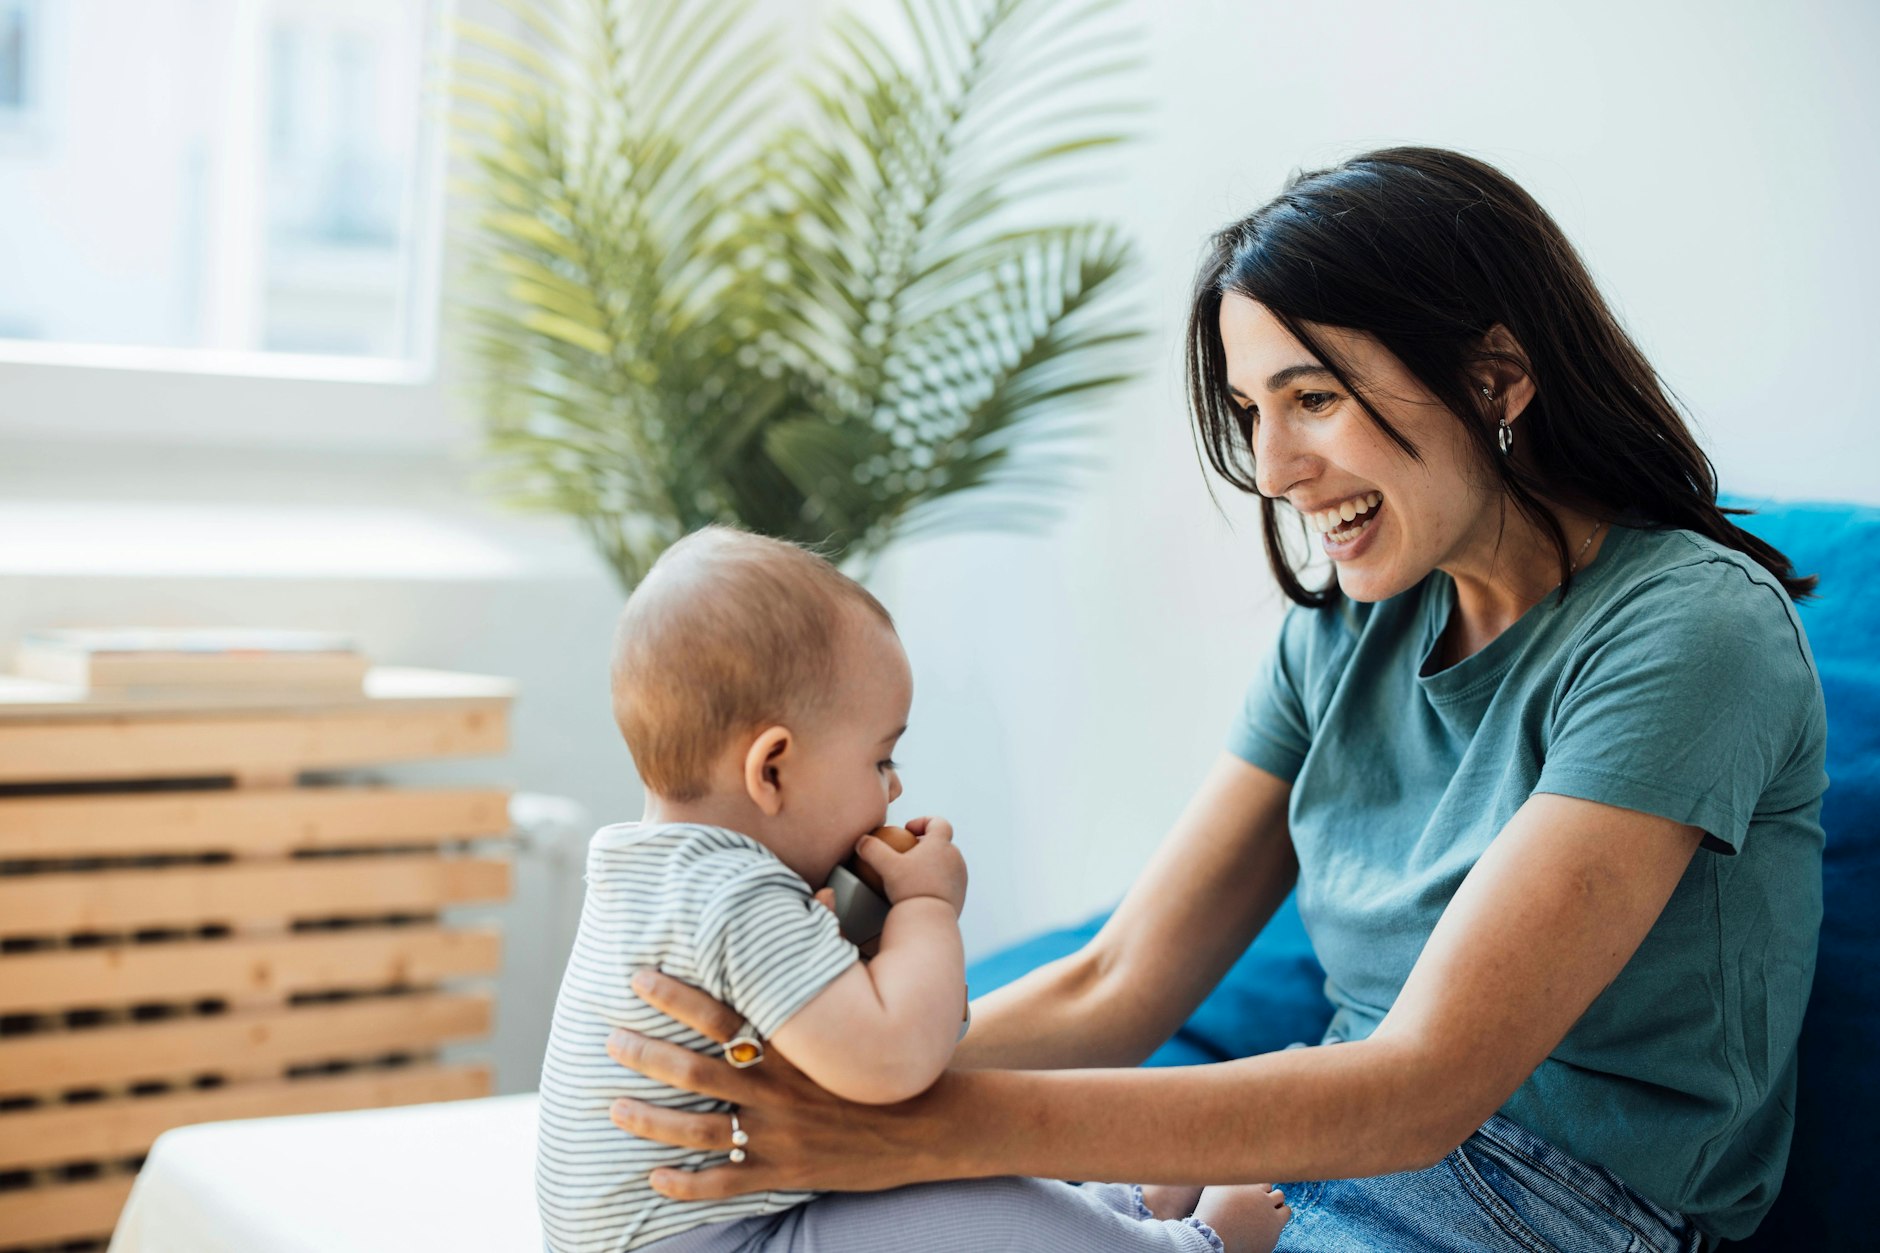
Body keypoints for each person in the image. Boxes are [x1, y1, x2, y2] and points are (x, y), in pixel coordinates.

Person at [597, 146, 1829, 1253]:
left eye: (1314, 397)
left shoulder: (1689, 632)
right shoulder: (1347, 629)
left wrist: (918, 1132)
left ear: (1496, 378)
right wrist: (783, 1089)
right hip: (1305, 1148)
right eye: (1251, 411)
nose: (1277, 470)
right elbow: (1117, 976)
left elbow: (1425, 1082)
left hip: (1550, 1200)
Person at [536, 525, 1293, 1252]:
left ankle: (1121, 1208)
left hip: (711, 1221)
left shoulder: (646, 872)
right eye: (880, 759)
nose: (894, 787)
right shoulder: (739, 897)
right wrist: (929, 910)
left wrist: (863, 934)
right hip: (738, 1239)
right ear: (771, 769)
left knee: (932, 1171)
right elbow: (897, 1064)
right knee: (953, 1189)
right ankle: (1198, 1244)